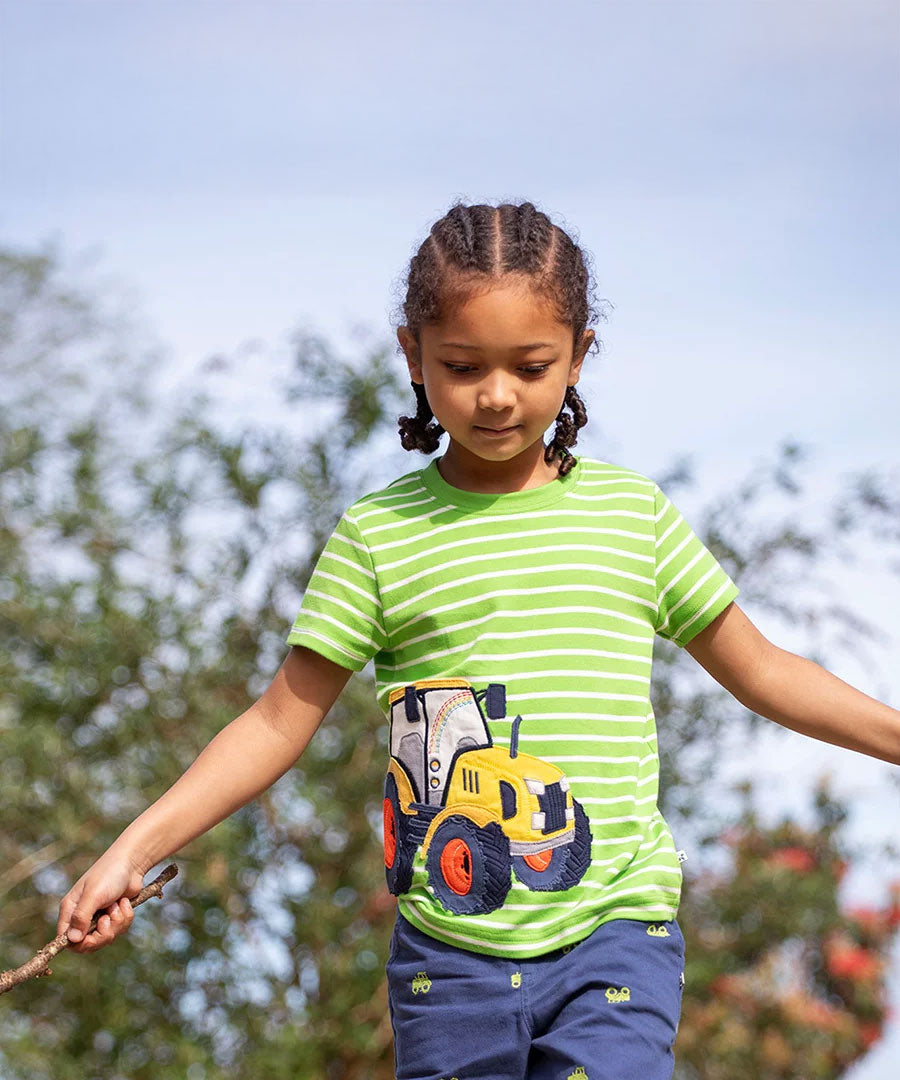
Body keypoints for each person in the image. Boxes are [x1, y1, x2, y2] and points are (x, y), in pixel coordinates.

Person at [57, 200, 900, 1080]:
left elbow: (761, 670)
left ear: (579, 355)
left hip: (617, 933)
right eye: (462, 366)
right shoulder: (379, 535)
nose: (497, 395)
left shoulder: (631, 517)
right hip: (448, 959)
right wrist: (131, 852)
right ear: (412, 355)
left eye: (530, 366)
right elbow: (276, 724)